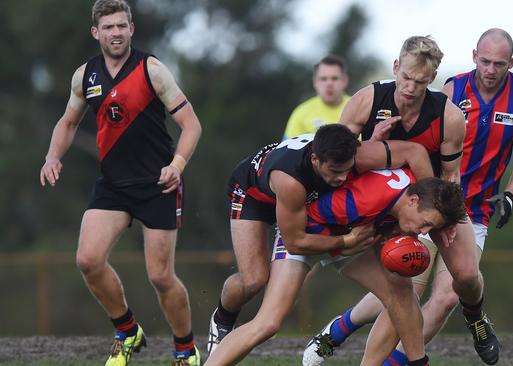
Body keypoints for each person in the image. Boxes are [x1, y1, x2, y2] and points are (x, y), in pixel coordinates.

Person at [305, 29, 513, 366]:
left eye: (498, 63)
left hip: (461, 205)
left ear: (511, 63)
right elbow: (349, 153)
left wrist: (511, 195)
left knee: (462, 283)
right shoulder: (449, 92)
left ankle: (475, 316)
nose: (490, 69)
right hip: (418, 203)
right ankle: (354, 340)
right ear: (474, 56)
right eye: (484, 61)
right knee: (405, 288)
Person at [38, 1, 203, 365]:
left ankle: (185, 349)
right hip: (113, 185)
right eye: (108, 27)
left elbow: (192, 125)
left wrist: (177, 165)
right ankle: (128, 331)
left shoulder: (152, 70)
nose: (115, 32)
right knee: (88, 259)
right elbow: (67, 122)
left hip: (159, 183)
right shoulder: (85, 76)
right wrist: (53, 156)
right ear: (96, 33)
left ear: (131, 29)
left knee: (161, 277)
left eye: (121, 26)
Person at [207, 124, 436, 354]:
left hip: (307, 209)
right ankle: (223, 318)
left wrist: (431, 202)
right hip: (254, 197)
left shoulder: (359, 155)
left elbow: (414, 152)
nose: (343, 177)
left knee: (400, 295)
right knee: (254, 280)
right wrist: (346, 242)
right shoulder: (291, 179)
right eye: (335, 171)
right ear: (316, 160)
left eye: (347, 170)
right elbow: (295, 242)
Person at [204, 168, 468, 366]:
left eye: (430, 228)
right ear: (412, 201)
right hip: (307, 235)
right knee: (268, 323)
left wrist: (439, 227)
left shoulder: (412, 188)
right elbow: (306, 229)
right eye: (425, 224)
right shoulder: (360, 203)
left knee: (401, 296)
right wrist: (344, 244)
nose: (423, 232)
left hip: (348, 235)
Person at [283, 55, 350, 139]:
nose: (329, 84)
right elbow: (287, 149)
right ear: (315, 82)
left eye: (334, 78)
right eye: (323, 79)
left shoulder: (358, 108)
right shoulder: (301, 112)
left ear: (345, 81)